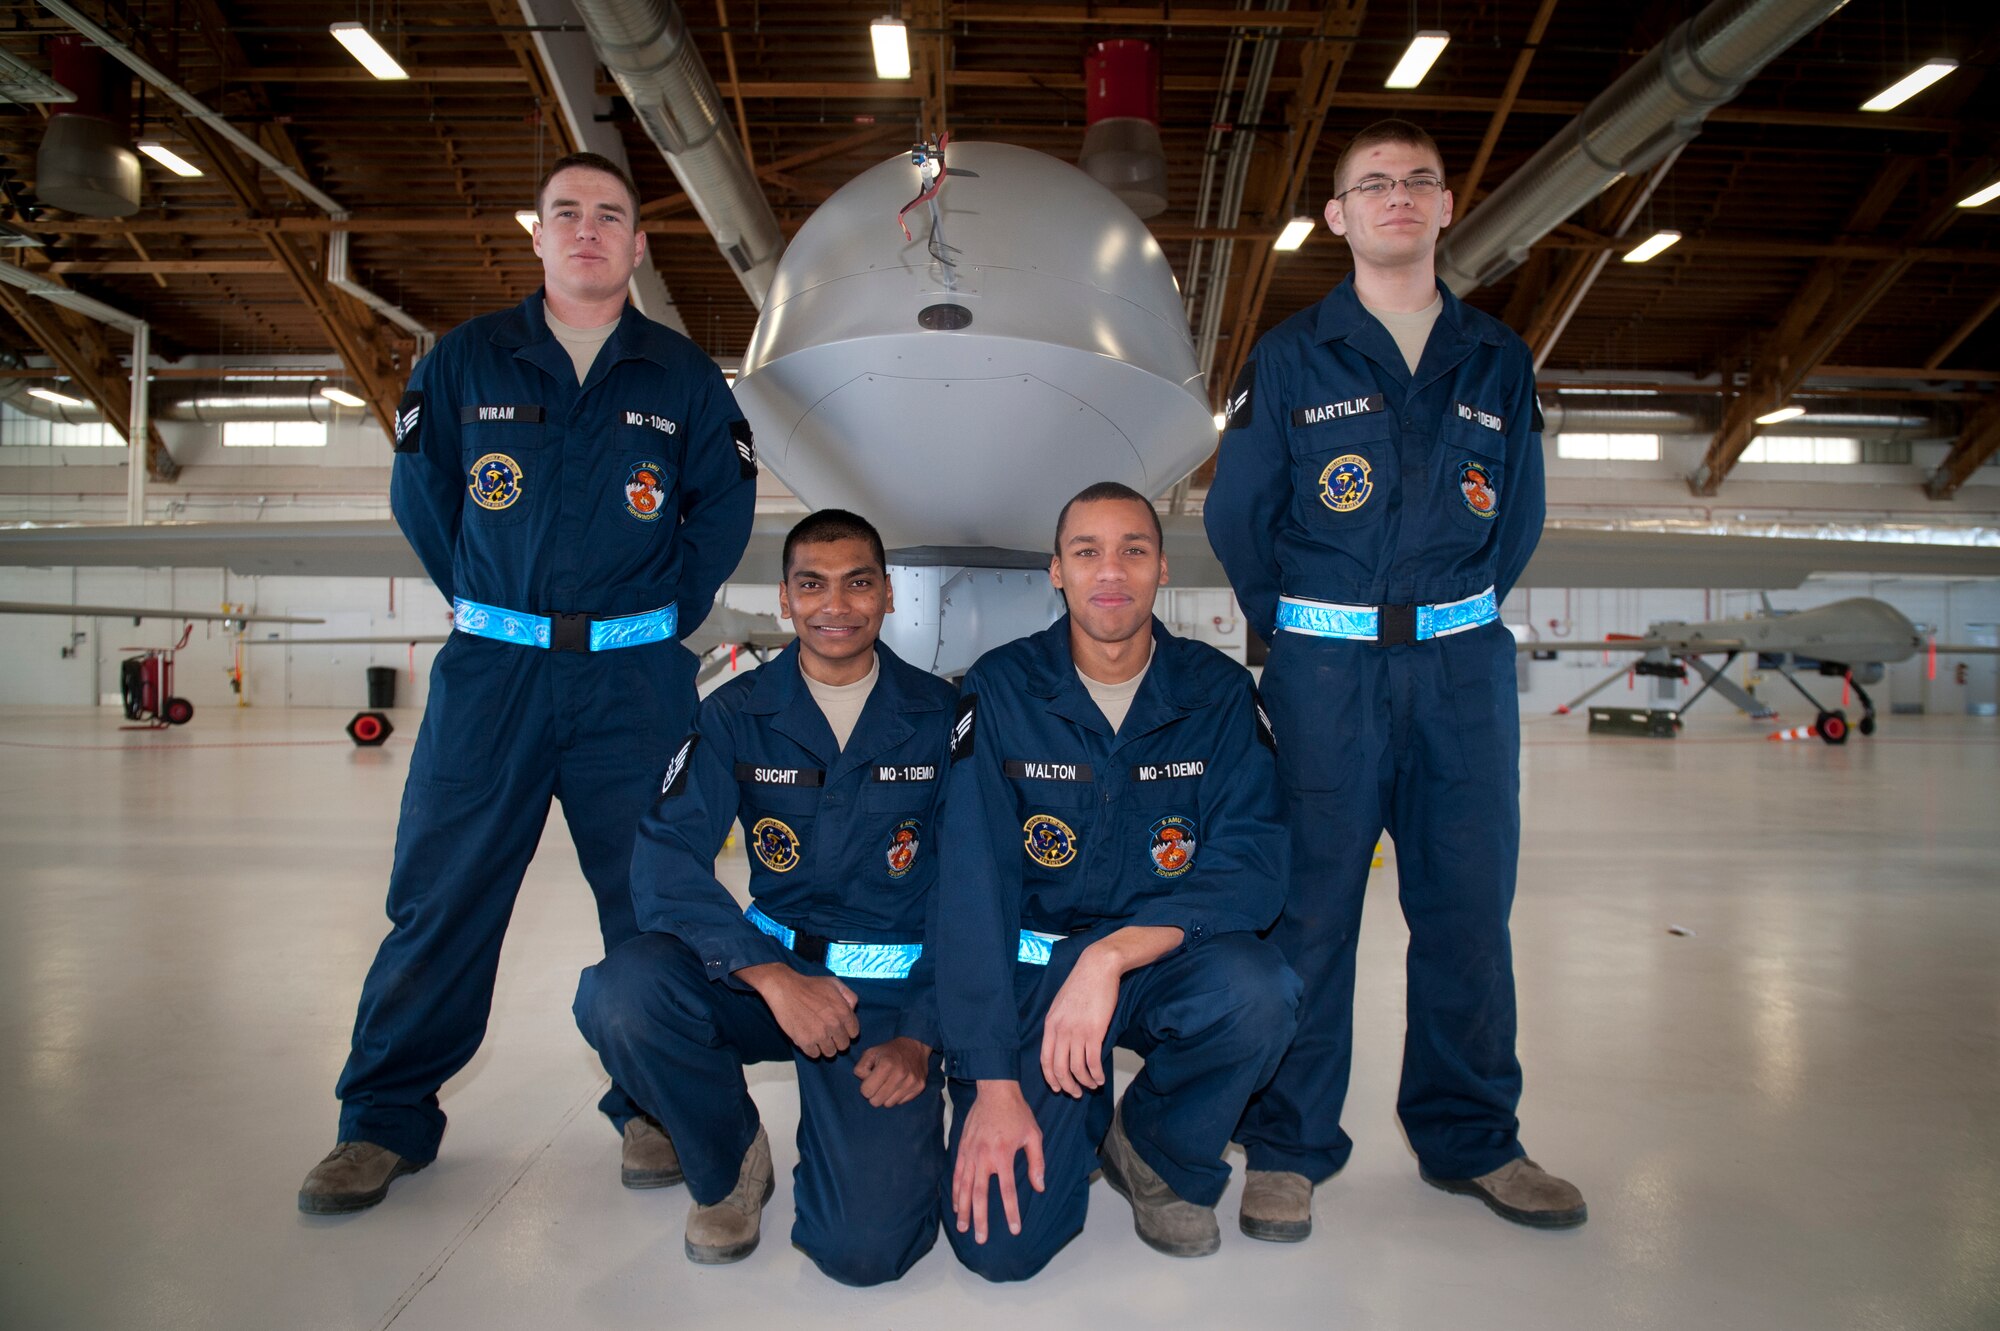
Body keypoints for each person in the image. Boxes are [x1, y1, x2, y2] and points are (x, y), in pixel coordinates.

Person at [298, 151, 758, 1214]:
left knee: (654, 899)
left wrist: (652, 624)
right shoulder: (464, 361)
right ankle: (383, 1119)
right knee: (440, 895)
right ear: (537, 234)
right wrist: (494, 602)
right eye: (566, 213)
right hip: (492, 675)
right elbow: (426, 501)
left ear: (637, 246)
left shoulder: (681, 378)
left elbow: (718, 518)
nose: (587, 229)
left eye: (609, 215)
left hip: (634, 684)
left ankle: (651, 1104)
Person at [1205, 119, 1585, 1235]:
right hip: (1323, 673)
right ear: (1337, 216)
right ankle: (1286, 1141)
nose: (1397, 197)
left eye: (1417, 180)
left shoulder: (1494, 358)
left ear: (1447, 203)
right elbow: (1239, 518)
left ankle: (1472, 1137)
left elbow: (1511, 523)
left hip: (1459, 673)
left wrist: (1439, 618)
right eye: (1372, 184)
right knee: (1308, 914)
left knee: (1468, 911)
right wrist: (1315, 631)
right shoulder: (1289, 356)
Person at [573, 510, 954, 1284]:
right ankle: (731, 1156)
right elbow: (665, 858)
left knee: (864, 1250)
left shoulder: (944, 719)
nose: (835, 606)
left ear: (887, 596)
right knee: (623, 993)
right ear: (785, 600)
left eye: (857, 584)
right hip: (772, 969)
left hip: (889, 1002)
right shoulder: (734, 715)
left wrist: (921, 1033)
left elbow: (975, 892)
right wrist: (771, 976)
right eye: (812, 585)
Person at [937, 481, 1300, 1280]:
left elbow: (1255, 861)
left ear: (1162, 568)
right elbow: (970, 890)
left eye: (1134, 549)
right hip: (1037, 976)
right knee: (1002, 1248)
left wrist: (1111, 957)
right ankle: (1071, 1111)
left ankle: (1155, 1151)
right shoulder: (998, 689)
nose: (1112, 571)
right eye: (1087, 551)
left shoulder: (1219, 693)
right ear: (1056, 572)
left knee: (1259, 990)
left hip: (1160, 961)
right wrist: (993, 1080)